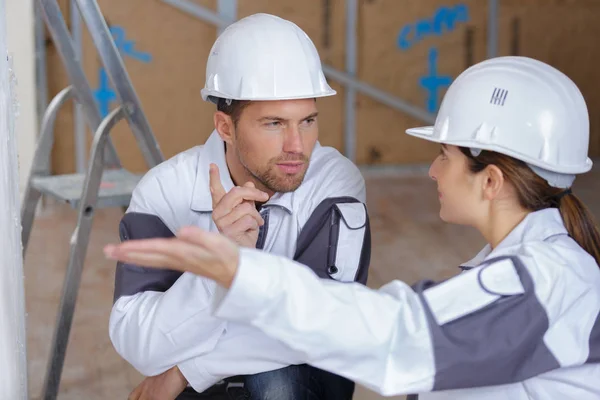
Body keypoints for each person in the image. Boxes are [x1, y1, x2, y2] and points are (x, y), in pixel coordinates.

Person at [105, 55, 600, 399]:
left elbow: (394, 336)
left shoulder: (542, 283)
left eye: (443, 155)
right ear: (225, 127)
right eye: (275, 123)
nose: (431, 171)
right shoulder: (540, 273)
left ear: (490, 181)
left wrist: (240, 272)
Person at [108, 13, 371, 400]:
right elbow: (140, 346)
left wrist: (186, 370)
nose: (297, 146)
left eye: (308, 120)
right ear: (225, 127)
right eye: (274, 124)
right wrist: (220, 264)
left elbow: (327, 327)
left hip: (299, 383)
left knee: (278, 382)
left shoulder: (335, 184)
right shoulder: (165, 192)